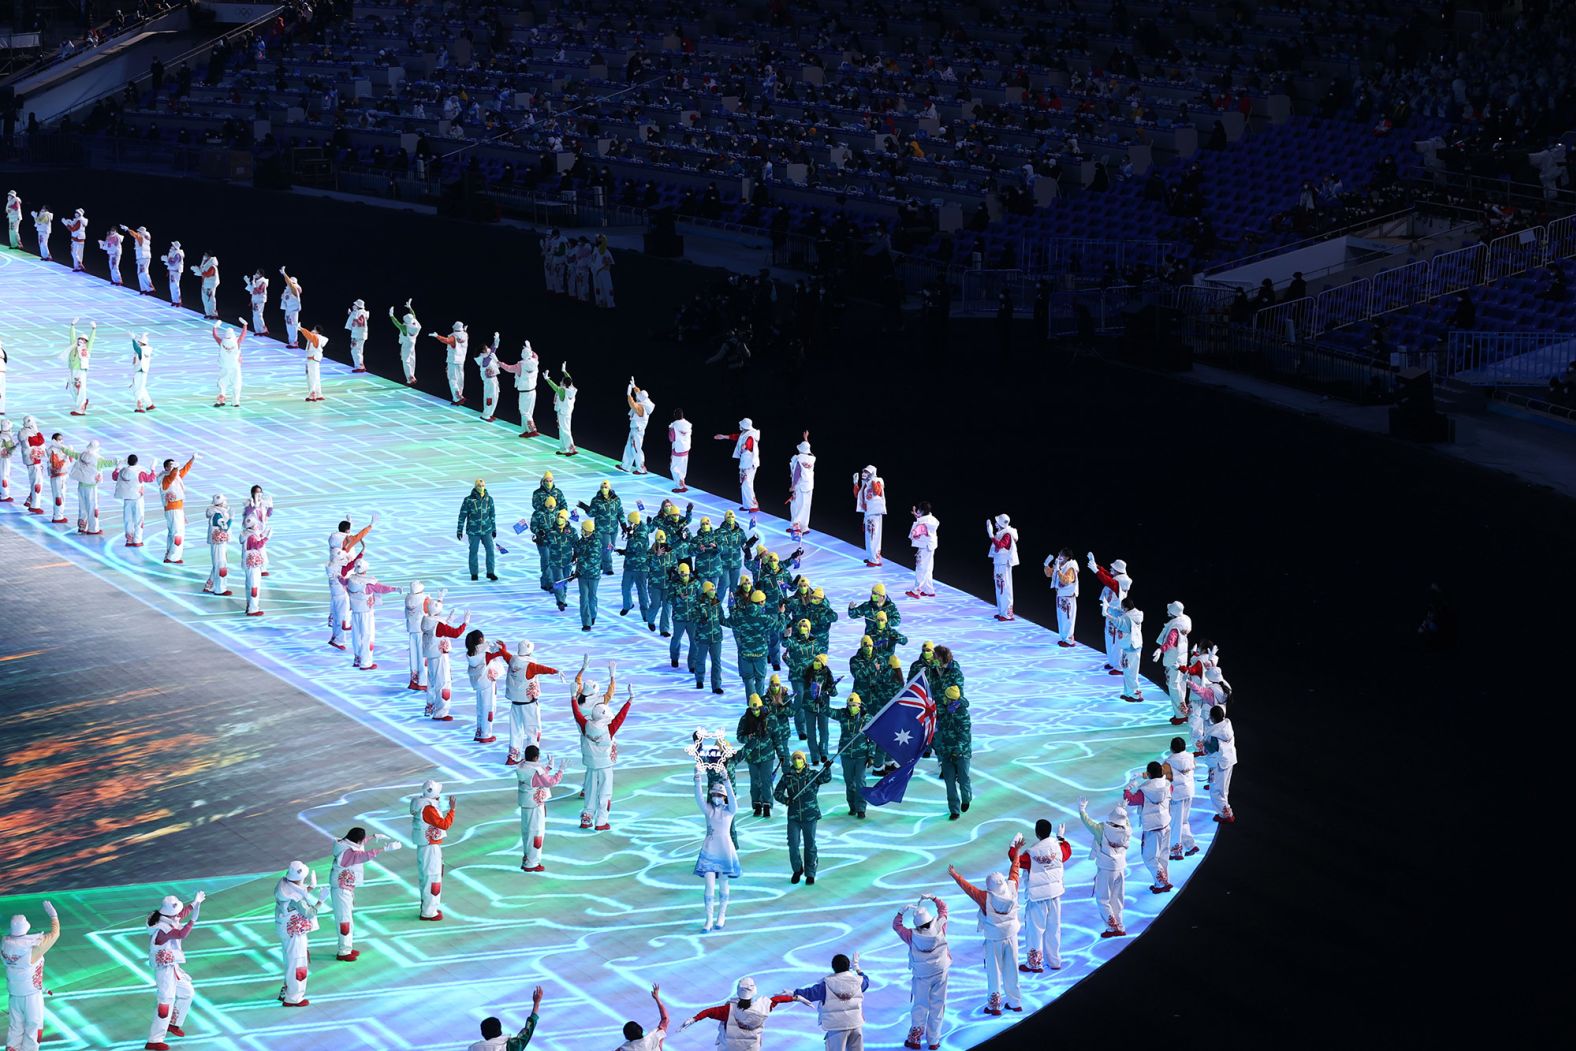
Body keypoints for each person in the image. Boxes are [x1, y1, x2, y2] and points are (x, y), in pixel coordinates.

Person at [948, 834, 1024, 1016]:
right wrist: (1017, 851)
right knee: (1012, 968)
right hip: (1011, 935)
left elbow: (968, 889)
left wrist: (955, 875)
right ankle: (1015, 1002)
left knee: (994, 971)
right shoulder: (1012, 888)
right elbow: (1015, 869)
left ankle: (995, 1005)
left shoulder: (986, 897)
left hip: (994, 939)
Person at [572, 662, 632, 830]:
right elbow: (620, 715)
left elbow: (576, 711)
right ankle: (601, 821)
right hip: (605, 762)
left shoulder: (582, 714)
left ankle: (586, 817)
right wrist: (614, 676)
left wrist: (582, 669)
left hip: (589, 753)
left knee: (590, 787)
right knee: (605, 791)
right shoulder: (608, 729)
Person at [328, 827, 401, 961]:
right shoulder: (348, 853)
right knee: (344, 921)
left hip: (345, 887)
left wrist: (373, 837)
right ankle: (343, 951)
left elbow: (358, 845)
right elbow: (363, 855)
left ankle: (347, 947)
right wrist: (385, 849)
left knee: (348, 919)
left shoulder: (344, 843)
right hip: (341, 889)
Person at [145, 891, 204, 1049]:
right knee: (165, 1003)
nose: (178, 915)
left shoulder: (165, 918)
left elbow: (181, 914)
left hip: (172, 967)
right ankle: (154, 1040)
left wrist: (194, 903)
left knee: (187, 993)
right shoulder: (162, 928)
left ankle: (173, 1023)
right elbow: (181, 934)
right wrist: (193, 920)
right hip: (164, 971)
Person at [891, 894, 949, 1050]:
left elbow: (897, 926)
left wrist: (900, 912)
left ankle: (915, 1039)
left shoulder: (911, 935)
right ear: (931, 919)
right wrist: (934, 898)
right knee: (938, 1005)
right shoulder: (940, 926)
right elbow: (944, 909)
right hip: (941, 971)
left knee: (920, 1006)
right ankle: (934, 1041)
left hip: (922, 975)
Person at [1015, 819, 1072, 973]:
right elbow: (1067, 852)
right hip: (1055, 895)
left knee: (1035, 931)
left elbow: (1016, 861)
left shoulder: (1032, 852)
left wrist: (1013, 847)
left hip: (1037, 898)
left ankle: (1035, 963)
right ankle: (1054, 961)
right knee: (1054, 929)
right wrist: (1061, 838)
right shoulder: (1057, 848)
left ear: (1037, 832)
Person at [3, 900, 60, 1051]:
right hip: (31, 996)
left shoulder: (4, 944)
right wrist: (53, 916)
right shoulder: (32, 949)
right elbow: (55, 934)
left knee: (15, 1029)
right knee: (33, 1029)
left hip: (14, 995)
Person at [680, 976, 796, 1048]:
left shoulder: (728, 1010)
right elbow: (777, 1000)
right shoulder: (763, 1007)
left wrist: (694, 1019)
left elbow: (709, 1012)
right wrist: (795, 997)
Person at [694, 767, 741, 931]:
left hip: (725, 850)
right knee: (709, 885)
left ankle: (721, 915)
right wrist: (697, 779)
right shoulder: (708, 811)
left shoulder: (730, 811)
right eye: (714, 794)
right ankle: (708, 919)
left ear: (724, 797)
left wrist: (727, 781)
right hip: (709, 850)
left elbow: (734, 801)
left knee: (723, 883)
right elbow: (698, 798)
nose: (716, 797)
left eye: (719, 795)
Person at [774, 750, 831, 884]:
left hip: (810, 816)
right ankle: (797, 869)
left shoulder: (812, 775)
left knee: (810, 845)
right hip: (794, 816)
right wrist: (786, 800)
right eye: (794, 758)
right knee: (793, 845)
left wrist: (827, 769)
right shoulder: (787, 777)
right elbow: (777, 793)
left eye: (799, 758)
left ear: (804, 760)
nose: (797, 760)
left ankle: (810, 872)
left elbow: (826, 778)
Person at [788, 953, 868, 1050]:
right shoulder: (859, 982)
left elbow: (809, 994)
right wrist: (856, 966)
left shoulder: (827, 984)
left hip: (836, 1027)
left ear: (833, 967)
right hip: (856, 1024)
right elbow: (866, 981)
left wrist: (793, 993)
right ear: (848, 966)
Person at [272, 860, 324, 1007]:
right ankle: (294, 998)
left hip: (286, 929)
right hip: (295, 933)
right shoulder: (294, 897)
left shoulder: (284, 885)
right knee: (298, 964)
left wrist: (311, 888)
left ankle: (286, 991)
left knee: (290, 962)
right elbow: (308, 912)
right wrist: (321, 901)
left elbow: (298, 891)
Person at [1077, 795, 1130, 937]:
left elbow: (1088, 823)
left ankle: (1112, 927)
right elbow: (1127, 823)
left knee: (1102, 899)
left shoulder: (1102, 829)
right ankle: (1120, 925)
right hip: (1120, 868)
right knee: (1117, 898)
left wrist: (1082, 809)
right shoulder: (1127, 830)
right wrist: (1123, 809)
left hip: (1106, 869)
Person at [409, 780, 458, 920]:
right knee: (432, 877)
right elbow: (444, 824)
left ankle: (429, 907)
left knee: (429, 878)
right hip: (430, 847)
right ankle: (429, 911)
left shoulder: (422, 804)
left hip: (427, 846)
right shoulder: (428, 809)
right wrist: (452, 810)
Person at [505, 641, 559, 764]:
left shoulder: (513, 660)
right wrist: (555, 671)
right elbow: (542, 669)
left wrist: (502, 649)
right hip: (529, 704)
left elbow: (505, 655)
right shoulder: (529, 665)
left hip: (515, 703)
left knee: (515, 730)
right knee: (533, 731)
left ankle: (513, 757)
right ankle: (532, 758)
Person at [1123, 762, 1173, 893]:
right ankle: (1161, 882)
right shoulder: (1168, 785)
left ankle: (1162, 882)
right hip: (1166, 824)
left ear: (1149, 774)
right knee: (1163, 855)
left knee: (1149, 857)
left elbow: (1131, 800)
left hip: (1152, 827)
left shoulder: (1145, 790)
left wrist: (1127, 789)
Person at [516, 746, 565, 872]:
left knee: (527, 833)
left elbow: (538, 774)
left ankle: (527, 858)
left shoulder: (522, 766)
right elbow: (550, 782)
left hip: (526, 804)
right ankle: (532, 862)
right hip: (535, 806)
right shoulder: (535, 771)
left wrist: (548, 767)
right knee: (536, 832)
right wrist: (561, 770)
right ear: (536, 757)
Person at [345, 555, 399, 668]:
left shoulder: (350, 580)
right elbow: (381, 588)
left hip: (355, 612)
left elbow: (342, 581)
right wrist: (394, 589)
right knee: (367, 636)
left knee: (356, 636)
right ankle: (365, 662)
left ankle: (357, 659)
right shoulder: (368, 583)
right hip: (366, 612)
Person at [423, 596, 468, 721]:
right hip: (440, 656)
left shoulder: (426, 620)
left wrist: (448, 621)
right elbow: (455, 633)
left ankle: (430, 706)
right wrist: (465, 623)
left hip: (431, 656)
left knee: (432, 682)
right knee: (443, 683)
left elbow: (440, 630)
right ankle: (441, 712)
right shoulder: (438, 625)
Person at [1087, 552, 1132, 672]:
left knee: (1116, 640)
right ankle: (1113, 662)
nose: (1111, 569)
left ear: (1118, 570)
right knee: (1109, 637)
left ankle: (1118, 665)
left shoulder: (1121, 582)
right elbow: (1107, 574)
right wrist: (1095, 564)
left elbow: (1108, 581)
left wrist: (1096, 571)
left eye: (1113, 568)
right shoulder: (1117, 577)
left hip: (1117, 614)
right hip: (1111, 612)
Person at [834, 693, 874, 818]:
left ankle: (861, 808)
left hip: (861, 755)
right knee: (849, 782)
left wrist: (871, 755)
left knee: (860, 782)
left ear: (860, 705)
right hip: (846, 755)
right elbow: (828, 711)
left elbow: (872, 738)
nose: (852, 707)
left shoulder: (867, 719)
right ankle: (852, 806)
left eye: (854, 705)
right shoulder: (843, 715)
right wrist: (820, 701)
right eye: (849, 705)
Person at [464, 629, 508, 743]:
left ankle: (479, 732)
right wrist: (502, 645)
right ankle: (485, 734)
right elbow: (501, 653)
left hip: (478, 683)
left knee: (480, 708)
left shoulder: (471, 652)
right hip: (487, 683)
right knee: (488, 708)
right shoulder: (485, 654)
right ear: (480, 639)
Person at [1152, 600, 1192, 724]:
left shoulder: (1174, 627)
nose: (1167, 611)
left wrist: (1160, 649)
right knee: (1181, 684)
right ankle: (1183, 710)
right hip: (1182, 657)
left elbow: (1169, 643)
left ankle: (1181, 715)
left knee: (1174, 686)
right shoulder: (1186, 620)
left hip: (1174, 659)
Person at [468, 986, 543, 1050]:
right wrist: (536, 1003)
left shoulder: (473, 1048)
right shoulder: (511, 1046)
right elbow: (528, 1030)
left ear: (483, 1033)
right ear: (500, 1029)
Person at [936, 685, 972, 819]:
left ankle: (966, 798)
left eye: (946, 697)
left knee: (963, 779)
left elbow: (964, 735)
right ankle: (954, 810)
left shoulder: (963, 714)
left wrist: (957, 750)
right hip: (946, 752)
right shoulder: (945, 711)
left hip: (961, 753)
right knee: (949, 782)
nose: (943, 699)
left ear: (951, 700)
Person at [1162, 737, 1199, 861]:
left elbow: (1165, 780)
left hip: (1177, 795)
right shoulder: (1190, 757)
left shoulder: (1168, 762)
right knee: (1183, 821)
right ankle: (1190, 845)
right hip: (1189, 792)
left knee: (1175, 824)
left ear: (1172, 748)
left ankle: (1176, 851)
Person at [716, 418, 761, 511]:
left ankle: (753, 505)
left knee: (747, 484)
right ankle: (747, 505)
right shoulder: (744, 433)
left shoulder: (751, 435)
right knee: (744, 484)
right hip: (745, 463)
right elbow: (736, 437)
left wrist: (745, 447)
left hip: (750, 463)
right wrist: (723, 436)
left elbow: (749, 443)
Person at [457, 478, 498, 581]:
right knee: (473, 552)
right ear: (475, 487)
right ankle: (474, 573)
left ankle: (490, 572)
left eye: (483, 485)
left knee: (490, 551)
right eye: (479, 486)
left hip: (487, 530)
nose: (481, 487)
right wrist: (459, 529)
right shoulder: (468, 500)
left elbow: (492, 515)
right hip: (473, 531)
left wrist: (493, 529)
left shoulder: (489, 499)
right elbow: (462, 515)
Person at [159, 453, 197, 563]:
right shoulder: (165, 478)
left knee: (172, 533)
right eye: (171, 465)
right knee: (178, 533)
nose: (175, 468)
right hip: (173, 508)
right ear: (166, 468)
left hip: (176, 508)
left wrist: (192, 459)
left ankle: (170, 554)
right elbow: (173, 475)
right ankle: (173, 557)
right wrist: (175, 467)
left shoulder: (175, 476)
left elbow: (184, 470)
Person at [1106, 596, 1145, 702]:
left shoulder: (1127, 618)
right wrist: (1110, 609)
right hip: (1134, 646)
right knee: (1130, 671)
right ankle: (1129, 693)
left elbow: (1119, 623)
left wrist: (1108, 615)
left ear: (1126, 608)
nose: (1122, 609)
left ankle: (1135, 694)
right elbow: (1120, 615)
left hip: (1130, 647)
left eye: (1123, 607)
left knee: (1129, 672)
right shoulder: (1136, 614)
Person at [112, 453, 156, 546]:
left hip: (127, 499)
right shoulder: (140, 472)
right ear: (137, 461)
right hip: (137, 498)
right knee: (139, 519)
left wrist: (118, 467)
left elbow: (114, 477)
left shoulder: (122, 471)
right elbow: (151, 479)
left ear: (127, 462)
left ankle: (129, 540)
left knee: (128, 519)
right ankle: (137, 540)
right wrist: (153, 468)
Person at [67, 442, 111, 534]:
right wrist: (121, 462)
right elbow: (108, 463)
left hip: (81, 485)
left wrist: (62, 448)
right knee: (92, 507)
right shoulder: (98, 459)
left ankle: (82, 527)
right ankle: (93, 529)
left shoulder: (82, 455)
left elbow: (72, 454)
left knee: (82, 506)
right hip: (91, 487)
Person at [1203, 705, 1237, 823]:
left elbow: (1213, 748)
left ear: (1212, 717)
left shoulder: (1214, 733)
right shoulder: (1227, 724)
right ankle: (1225, 810)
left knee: (1215, 791)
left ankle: (1226, 814)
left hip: (1219, 763)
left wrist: (1203, 743)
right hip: (1230, 759)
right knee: (1223, 789)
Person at [498, 339, 538, 435]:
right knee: (528, 413)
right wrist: (530, 348)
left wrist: (500, 363)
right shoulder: (535, 361)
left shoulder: (521, 365)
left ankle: (532, 430)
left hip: (525, 391)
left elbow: (509, 368)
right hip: (533, 391)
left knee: (524, 411)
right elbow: (535, 355)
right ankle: (525, 430)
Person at [985, 514, 1019, 620]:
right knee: (999, 588)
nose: (995, 524)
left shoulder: (1007, 534)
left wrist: (990, 535)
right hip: (999, 563)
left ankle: (1007, 614)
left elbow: (1000, 545)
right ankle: (1001, 612)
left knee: (1005, 589)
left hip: (1004, 564)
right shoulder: (1001, 533)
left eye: (996, 522)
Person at [615, 984, 668, 1050]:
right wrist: (657, 998)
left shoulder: (624, 1048)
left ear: (627, 1037)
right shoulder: (653, 1037)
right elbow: (665, 1019)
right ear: (640, 1029)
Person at [1043, 548, 1079, 646]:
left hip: (1068, 598)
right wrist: (1046, 565)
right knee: (1061, 619)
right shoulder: (1060, 564)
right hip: (1060, 596)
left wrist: (1058, 570)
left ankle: (1069, 639)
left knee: (1068, 619)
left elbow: (1066, 581)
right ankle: (1064, 638)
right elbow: (1049, 574)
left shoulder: (1071, 567)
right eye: (1059, 554)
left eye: (1061, 555)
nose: (1059, 556)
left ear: (1067, 557)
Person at [573, 519, 602, 630]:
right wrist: (575, 555)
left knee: (592, 597)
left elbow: (591, 560)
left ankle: (593, 614)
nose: (583, 533)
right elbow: (577, 547)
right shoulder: (582, 541)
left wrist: (579, 570)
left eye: (585, 531)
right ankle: (586, 622)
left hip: (593, 575)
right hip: (582, 576)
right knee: (584, 598)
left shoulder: (596, 543)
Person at [430, 322, 469, 404]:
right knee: (460, 380)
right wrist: (464, 329)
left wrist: (437, 336)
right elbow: (463, 333)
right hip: (461, 361)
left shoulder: (453, 336)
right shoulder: (465, 335)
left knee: (453, 379)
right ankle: (458, 398)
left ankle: (458, 398)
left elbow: (446, 340)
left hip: (453, 360)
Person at [543, 364, 578, 454]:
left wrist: (547, 379)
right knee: (562, 430)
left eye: (562, 381)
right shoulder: (572, 389)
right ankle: (564, 449)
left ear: (564, 384)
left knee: (565, 431)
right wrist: (564, 371)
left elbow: (554, 387)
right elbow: (569, 378)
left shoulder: (563, 391)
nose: (561, 381)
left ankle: (571, 448)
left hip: (562, 413)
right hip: (567, 412)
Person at [202, 493, 233, 597]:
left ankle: (210, 586)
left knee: (217, 564)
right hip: (219, 544)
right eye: (224, 501)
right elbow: (225, 527)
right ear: (221, 503)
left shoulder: (218, 513)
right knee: (221, 565)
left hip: (219, 543)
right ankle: (220, 589)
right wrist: (231, 519)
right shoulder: (218, 515)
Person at [62, 319, 94, 416]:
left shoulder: (87, 348)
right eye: (80, 338)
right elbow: (72, 336)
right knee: (72, 388)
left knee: (80, 388)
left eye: (84, 340)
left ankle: (80, 408)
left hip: (81, 370)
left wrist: (93, 329)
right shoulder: (74, 346)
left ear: (86, 341)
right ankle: (82, 403)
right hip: (73, 370)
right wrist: (72, 325)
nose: (81, 340)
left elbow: (92, 340)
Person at [211, 319, 246, 408]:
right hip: (235, 366)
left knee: (222, 384)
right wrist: (245, 325)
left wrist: (215, 327)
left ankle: (221, 400)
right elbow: (243, 335)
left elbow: (215, 335)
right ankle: (235, 402)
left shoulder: (222, 342)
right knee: (237, 383)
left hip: (224, 366)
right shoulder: (236, 342)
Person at [620, 378, 653, 472]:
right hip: (634, 429)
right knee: (629, 447)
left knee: (636, 449)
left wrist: (628, 394)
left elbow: (632, 404)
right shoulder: (645, 401)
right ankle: (625, 466)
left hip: (638, 431)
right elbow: (639, 392)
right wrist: (634, 386)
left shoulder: (641, 407)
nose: (637, 395)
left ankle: (641, 468)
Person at [788, 433, 816, 537]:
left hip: (800, 485)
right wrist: (806, 439)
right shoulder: (812, 458)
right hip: (809, 485)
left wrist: (793, 486)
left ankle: (796, 526)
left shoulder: (799, 458)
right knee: (806, 505)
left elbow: (797, 474)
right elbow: (810, 453)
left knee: (797, 505)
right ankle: (804, 526)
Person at [243, 513, 269, 615]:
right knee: (255, 585)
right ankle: (253, 608)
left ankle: (249, 605)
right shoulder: (251, 537)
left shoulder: (246, 534)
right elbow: (257, 544)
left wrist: (263, 534)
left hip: (249, 563)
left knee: (249, 585)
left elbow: (256, 537)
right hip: (253, 564)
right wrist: (267, 538)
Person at [121, 225, 156, 294]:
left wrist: (127, 229)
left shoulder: (141, 237)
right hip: (143, 256)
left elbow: (135, 234)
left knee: (143, 273)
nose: (138, 232)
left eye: (139, 231)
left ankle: (150, 288)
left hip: (143, 256)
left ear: (142, 232)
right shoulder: (147, 236)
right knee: (140, 273)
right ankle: (143, 289)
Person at [668, 408, 693, 492]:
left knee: (674, 468)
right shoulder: (688, 424)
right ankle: (682, 483)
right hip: (686, 449)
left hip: (678, 449)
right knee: (682, 468)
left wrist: (670, 429)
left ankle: (680, 486)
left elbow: (671, 438)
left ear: (675, 415)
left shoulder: (673, 425)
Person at [129, 331, 154, 412]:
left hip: (140, 371)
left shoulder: (142, 350)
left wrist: (133, 339)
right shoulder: (148, 349)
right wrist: (143, 336)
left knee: (137, 389)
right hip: (144, 371)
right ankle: (149, 404)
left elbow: (137, 348)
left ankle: (139, 407)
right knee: (142, 388)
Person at [191, 252, 219, 319]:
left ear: (209, 257)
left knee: (210, 299)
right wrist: (197, 269)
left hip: (210, 285)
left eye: (206, 255)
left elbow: (208, 274)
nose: (204, 256)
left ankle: (213, 314)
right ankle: (208, 313)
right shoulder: (204, 264)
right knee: (205, 299)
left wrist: (200, 272)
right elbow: (203, 272)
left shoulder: (212, 266)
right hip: (205, 284)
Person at [279, 268, 303, 346]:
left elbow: (289, 283)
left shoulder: (294, 289)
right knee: (288, 326)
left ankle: (294, 343)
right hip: (288, 310)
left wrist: (284, 273)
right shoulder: (287, 291)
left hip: (293, 310)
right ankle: (291, 342)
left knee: (292, 326)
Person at [344, 299, 370, 372]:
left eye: (355, 305)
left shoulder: (358, 312)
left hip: (357, 335)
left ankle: (359, 367)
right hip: (361, 335)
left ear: (358, 306)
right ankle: (360, 365)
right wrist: (351, 314)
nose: (353, 306)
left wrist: (353, 315)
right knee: (359, 350)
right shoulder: (362, 312)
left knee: (355, 350)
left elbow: (360, 323)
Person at [591, 233, 616, 307]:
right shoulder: (595, 250)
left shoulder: (605, 251)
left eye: (598, 239)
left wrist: (604, 268)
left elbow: (608, 263)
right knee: (599, 287)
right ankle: (601, 302)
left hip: (603, 271)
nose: (596, 240)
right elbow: (593, 261)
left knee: (607, 287)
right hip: (596, 272)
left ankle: (610, 303)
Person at [60, 208, 87, 272]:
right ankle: (77, 267)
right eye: (75, 212)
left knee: (74, 253)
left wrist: (66, 224)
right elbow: (73, 226)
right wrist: (68, 222)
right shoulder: (80, 220)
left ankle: (79, 264)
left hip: (76, 238)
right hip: (81, 239)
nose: (76, 214)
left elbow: (73, 229)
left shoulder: (79, 221)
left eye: (77, 213)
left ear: (80, 214)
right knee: (79, 254)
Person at [161, 241, 184, 306]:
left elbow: (173, 262)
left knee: (176, 285)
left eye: (173, 245)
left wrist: (167, 260)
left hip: (176, 271)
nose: (171, 246)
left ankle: (178, 301)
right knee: (172, 286)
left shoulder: (178, 253)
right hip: (172, 271)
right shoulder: (172, 252)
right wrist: (168, 270)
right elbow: (170, 262)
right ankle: (174, 300)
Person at [247, 270, 270, 334]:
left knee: (259, 314)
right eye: (256, 272)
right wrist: (249, 282)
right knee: (254, 316)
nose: (256, 274)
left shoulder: (263, 281)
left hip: (260, 300)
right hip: (255, 300)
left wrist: (254, 284)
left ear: (261, 274)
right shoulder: (256, 281)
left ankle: (264, 329)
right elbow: (252, 291)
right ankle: (257, 330)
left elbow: (259, 291)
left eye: (257, 273)